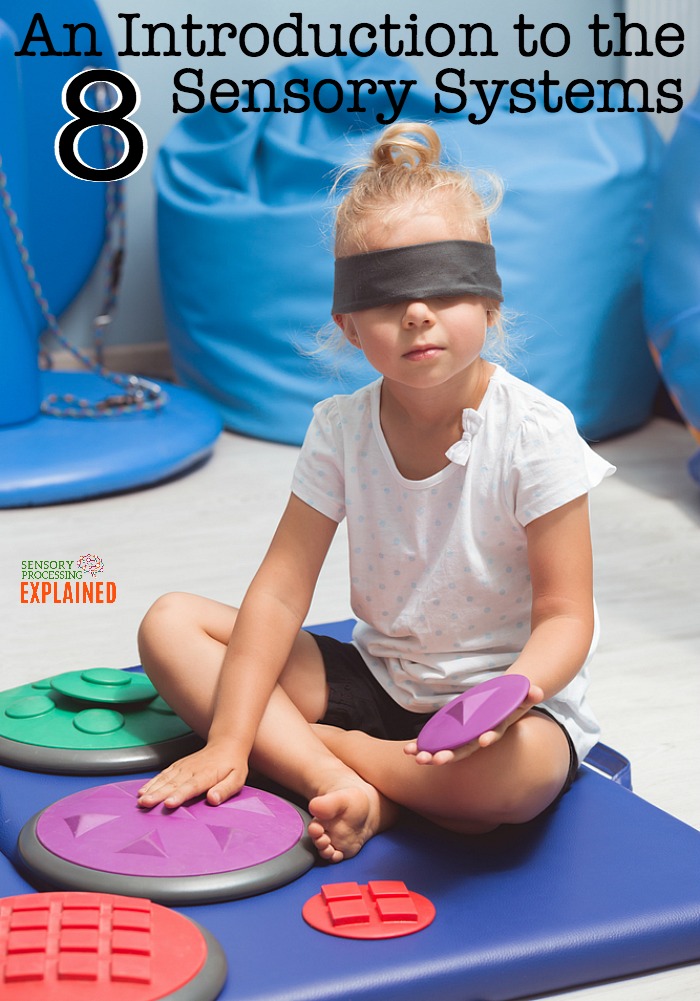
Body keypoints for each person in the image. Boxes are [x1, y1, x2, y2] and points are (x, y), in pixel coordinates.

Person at [137, 122, 615, 863]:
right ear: (349, 324)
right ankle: (340, 775)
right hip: (378, 675)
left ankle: (319, 754)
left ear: (489, 302)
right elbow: (278, 592)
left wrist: (516, 690)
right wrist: (229, 740)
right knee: (170, 623)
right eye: (388, 293)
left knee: (515, 786)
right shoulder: (339, 427)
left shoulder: (536, 431)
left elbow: (565, 613)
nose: (418, 312)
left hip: (497, 711)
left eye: (445, 286)